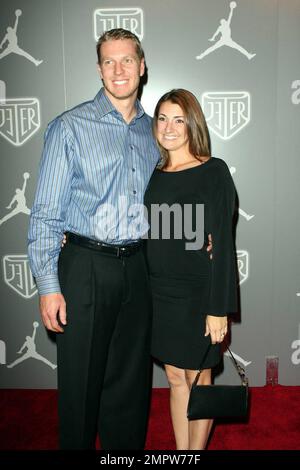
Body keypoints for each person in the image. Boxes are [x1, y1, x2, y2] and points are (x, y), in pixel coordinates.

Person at [28, 28, 160, 450]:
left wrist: (202, 239)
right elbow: (46, 212)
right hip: (85, 266)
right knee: (81, 386)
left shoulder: (153, 132)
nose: (119, 70)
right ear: (99, 70)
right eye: (109, 61)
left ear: (142, 67)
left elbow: (171, 199)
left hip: (138, 268)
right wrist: (49, 286)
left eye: (127, 60)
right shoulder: (69, 127)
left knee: (130, 386)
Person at [144, 89, 237, 450]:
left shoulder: (213, 171)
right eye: (162, 118)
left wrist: (218, 309)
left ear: (192, 123)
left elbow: (224, 247)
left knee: (198, 378)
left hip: (199, 293)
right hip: (158, 293)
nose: (169, 127)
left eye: (178, 119)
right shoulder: (152, 175)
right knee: (173, 376)